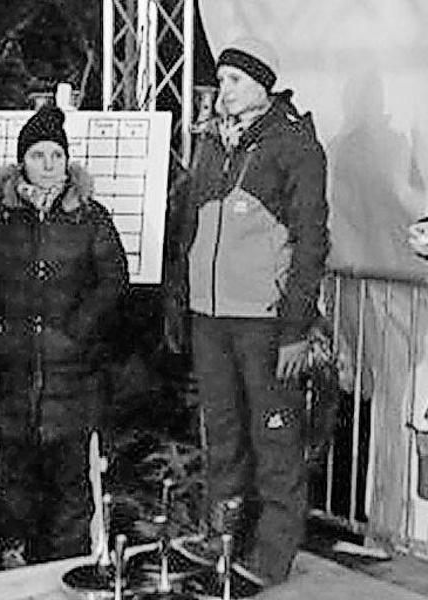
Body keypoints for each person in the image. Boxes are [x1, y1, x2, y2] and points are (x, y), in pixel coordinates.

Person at [164, 37, 329, 588]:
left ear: (262, 82)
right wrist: (180, 302)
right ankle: (223, 536)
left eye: (234, 79)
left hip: (264, 320)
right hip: (211, 316)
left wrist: (295, 329)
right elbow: (189, 230)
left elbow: (310, 242)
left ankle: (272, 554)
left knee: (274, 435)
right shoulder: (211, 146)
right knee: (223, 432)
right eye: (221, 80)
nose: (222, 90)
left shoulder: (294, 146)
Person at [0, 105, 129, 566]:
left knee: (71, 477)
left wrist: (78, 330)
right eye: (38, 155)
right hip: (6, 371)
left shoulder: (91, 218)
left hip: (73, 372)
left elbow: (113, 279)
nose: (49, 164)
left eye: (56, 155)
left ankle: (67, 567)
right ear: (21, 162)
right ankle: (15, 557)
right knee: (12, 473)